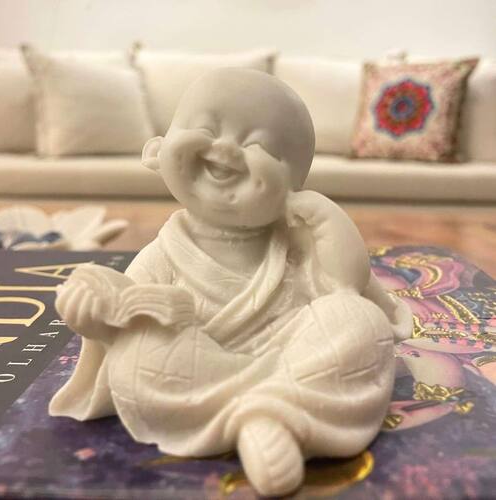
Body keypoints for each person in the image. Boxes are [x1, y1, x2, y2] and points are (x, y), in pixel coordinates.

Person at [50, 68, 411, 497]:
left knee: (359, 320)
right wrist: (95, 314)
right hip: (192, 370)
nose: (225, 149)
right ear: (156, 152)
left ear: (294, 187)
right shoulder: (163, 253)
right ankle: (271, 413)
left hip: (291, 355)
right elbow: (125, 315)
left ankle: (275, 415)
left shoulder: (295, 242)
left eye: (258, 145)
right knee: (136, 351)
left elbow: (344, 285)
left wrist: (331, 223)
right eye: (206, 129)